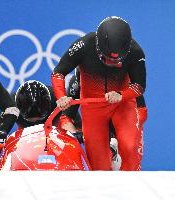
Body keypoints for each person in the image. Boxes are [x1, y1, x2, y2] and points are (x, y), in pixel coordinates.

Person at [51, 16, 147, 170]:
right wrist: (61, 96)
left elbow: (139, 86)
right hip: (92, 108)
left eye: (117, 61)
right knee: (99, 166)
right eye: (107, 58)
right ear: (97, 46)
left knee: (130, 149)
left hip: (121, 104)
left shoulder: (136, 52)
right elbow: (58, 73)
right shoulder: (83, 45)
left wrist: (121, 95)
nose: (112, 64)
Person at [61, 67, 147, 170]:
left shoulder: (127, 81)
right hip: (96, 124)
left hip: (123, 123)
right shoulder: (76, 83)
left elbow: (141, 113)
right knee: (99, 167)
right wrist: (74, 135)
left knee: (130, 158)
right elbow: (66, 116)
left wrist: (126, 139)